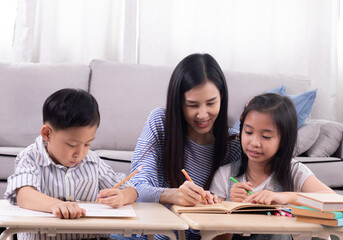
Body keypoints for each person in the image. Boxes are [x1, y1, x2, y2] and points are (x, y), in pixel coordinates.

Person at [112, 53, 241, 240]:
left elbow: (228, 220)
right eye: (192, 105)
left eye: (211, 103)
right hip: (143, 235)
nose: (203, 114)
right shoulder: (160, 122)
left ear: (222, 97)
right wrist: (172, 195)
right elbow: (139, 187)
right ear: (179, 103)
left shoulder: (233, 145)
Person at [4, 88, 138, 240]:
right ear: (47, 134)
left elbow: (130, 189)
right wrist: (55, 205)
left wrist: (123, 196)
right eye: (72, 145)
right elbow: (24, 195)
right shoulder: (31, 157)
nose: (80, 153)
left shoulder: (93, 161)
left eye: (87, 144)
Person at [209, 93, 334, 240]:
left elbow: (333, 200)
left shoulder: (293, 171)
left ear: (284, 140)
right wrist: (231, 207)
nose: (254, 142)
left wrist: (284, 197)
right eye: (248, 132)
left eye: (266, 136)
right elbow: (216, 237)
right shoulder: (225, 175)